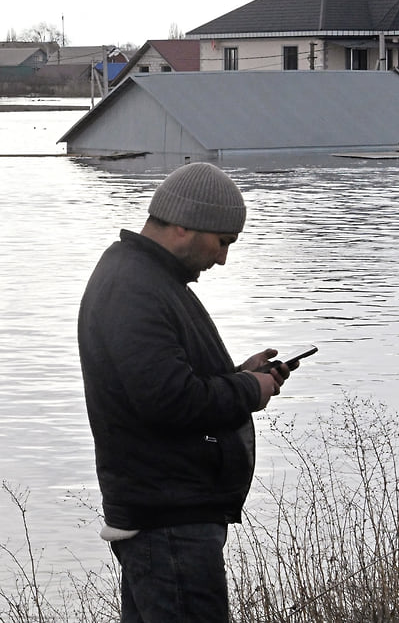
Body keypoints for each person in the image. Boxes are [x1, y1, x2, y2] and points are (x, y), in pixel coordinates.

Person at [77, 162, 295, 622]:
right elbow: (168, 401)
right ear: (182, 225)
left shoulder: (146, 280)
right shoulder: (134, 288)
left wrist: (240, 375)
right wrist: (247, 391)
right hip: (169, 523)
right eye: (222, 242)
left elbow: (165, 383)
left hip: (168, 517)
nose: (222, 259)